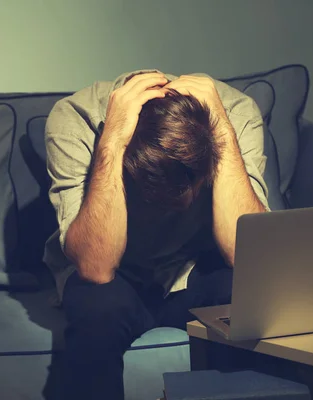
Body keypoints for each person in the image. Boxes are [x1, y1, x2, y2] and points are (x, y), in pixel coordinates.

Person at [43, 69, 270, 400]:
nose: (185, 204)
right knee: (95, 304)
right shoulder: (76, 117)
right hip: (116, 277)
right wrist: (112, 142)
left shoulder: (234, 111)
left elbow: (248, 257)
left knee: (248, 291)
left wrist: (221, 132)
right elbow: (95, 266)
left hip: (194, 273)